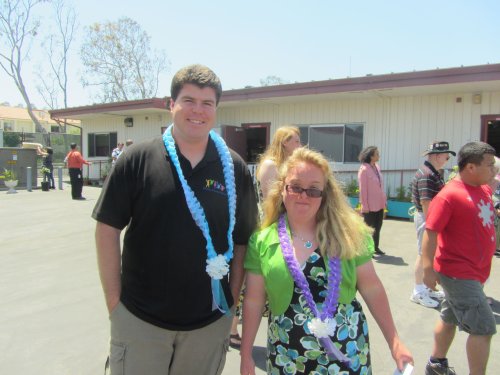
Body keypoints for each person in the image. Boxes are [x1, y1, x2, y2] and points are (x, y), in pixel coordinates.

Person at [92, 64, 258, 375]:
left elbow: (242, 242)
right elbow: (106, 229)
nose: (198, 111)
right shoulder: (137, 159)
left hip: (208, 326)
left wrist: (231, 305)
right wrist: (115, 305)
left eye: (207, 103)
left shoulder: (233, 169)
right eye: (189, 101)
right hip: (140, 321)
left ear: (216, 110)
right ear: (172, 105)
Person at [241, 147, 413, 374]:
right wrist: (245, 356)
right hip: (287, 356)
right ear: (282, 188)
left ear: (325, 194)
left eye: (313, 190)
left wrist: (395, 341)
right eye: (295, 187)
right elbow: (253, 300)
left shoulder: (349, 235)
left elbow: (372, 288)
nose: (303, 196)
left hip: (347, 353)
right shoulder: (261, 241)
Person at [422, 141, 497, 375]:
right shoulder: (450, 195)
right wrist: (427, 268)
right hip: (458, 273)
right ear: (471, 167)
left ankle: (436, 364)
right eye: (489, 165)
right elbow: (431, 231)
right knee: (483, 328)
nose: (493, 168)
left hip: (475, 271)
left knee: (449, 317)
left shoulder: (482, 187)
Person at [228, 126, 301, 349]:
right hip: (268, 224)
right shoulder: (271, 165)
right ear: (284, 142)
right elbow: (273, 200)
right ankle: (232, 329)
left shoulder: (291, 164)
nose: (299, 144)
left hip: (286, 225)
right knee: (250, 281)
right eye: (295, 140)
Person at [410, 141, 455, 308]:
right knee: (424, 254)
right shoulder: (427, 174)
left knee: (428, 254)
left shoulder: (433, 172)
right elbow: (426, 202)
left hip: (430, 217)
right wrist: (434, 225)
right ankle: (418, 291)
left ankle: (426, 288)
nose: (447, 159)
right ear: (436, 156)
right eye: (446, 156)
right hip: (427, 217)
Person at [256, 126, 301, 199]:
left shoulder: (287, 165)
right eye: (297, 142)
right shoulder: (270, 165)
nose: (300, 146)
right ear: (285, 142)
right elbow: (270, 198)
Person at [357, 146, 387, 255]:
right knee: (368, 229)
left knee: (378, 227)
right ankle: (365, 250)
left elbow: (380, 186)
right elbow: (363, 190)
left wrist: (384, 202)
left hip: (379, 204)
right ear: (371, 156)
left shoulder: (377, 167)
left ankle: (375, 248)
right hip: (369, 206)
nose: (379, 155)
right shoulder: (364, 169)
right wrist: (364, 206)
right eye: (377, 154)